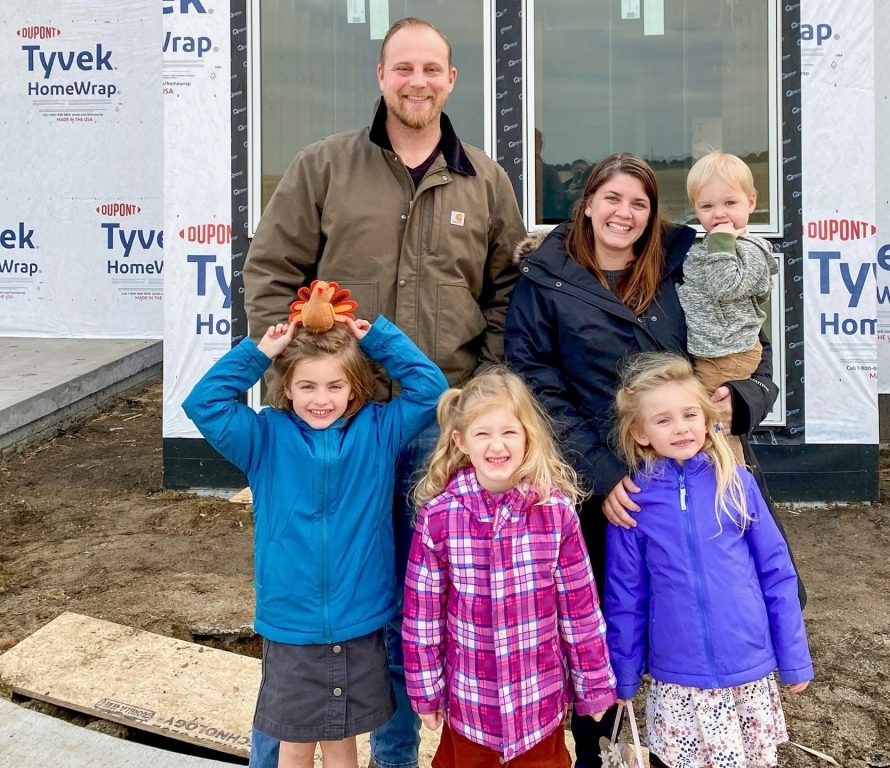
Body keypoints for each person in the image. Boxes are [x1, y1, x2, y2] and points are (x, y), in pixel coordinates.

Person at [242, 17, 526, 768]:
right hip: (334, 431)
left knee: (410, 609)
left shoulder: (485, 181)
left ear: (451, 80)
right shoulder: (324, 166)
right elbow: (271, 271)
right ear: (380, 75)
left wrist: (481, 399)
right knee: (308, 604)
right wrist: (299, 385)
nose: (417, 82)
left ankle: (393, 758)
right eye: (403, 68)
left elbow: (505, 295)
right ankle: (274, 757)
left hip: (435, 430)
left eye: (431, 69)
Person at [503, 152, 797, 767]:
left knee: (698, 606)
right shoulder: (547, 278)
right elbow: (534, 383)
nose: (624, 213)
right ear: (586, 203)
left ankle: (697, 745)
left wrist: (741, 400)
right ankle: (598, 750)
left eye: (639, 203)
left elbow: (745, 345)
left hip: (690, 477)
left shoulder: (683, 263)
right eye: (611, 198)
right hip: (601, 487)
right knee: (601, 624)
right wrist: (604, 476)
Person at [182, 309, 448, 768]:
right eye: (307, 386)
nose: (320, 399)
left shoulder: (381, 431)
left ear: (355, 388)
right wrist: (262, 352)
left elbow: (431, 389)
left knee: (343, 739)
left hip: (360, 619)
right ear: (286, 388)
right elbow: (204, 403)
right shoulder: (263, 437)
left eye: (334, 386)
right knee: (296, 742)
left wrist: (379, 338)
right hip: (291, 625)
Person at [606, 352, 812, 768]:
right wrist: (623, 673)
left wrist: (794, 657)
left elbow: (776, 573)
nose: (680, 427)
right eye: (663, 420)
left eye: (688, 415)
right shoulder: (633, 501)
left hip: (748, 672)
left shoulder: (737, 482)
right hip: (678, 680)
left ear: (707, 418)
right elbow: (625, 596)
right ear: (640, 433)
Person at [401, 368, 616, 767]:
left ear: (528, 438)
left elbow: (580, 611)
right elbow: (422, 618)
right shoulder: (439, 518)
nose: (496, 445)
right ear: (460, 441)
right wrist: (426, 690)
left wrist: (594, 683)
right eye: (483, 434)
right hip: (471, 711)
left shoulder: (556, 514)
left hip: (539, 707)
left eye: (508, 432)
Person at [677, 151, 778, 465]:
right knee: (701, 425)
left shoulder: (752, 249)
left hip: (728, 353)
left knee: (712, 427)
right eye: (707, 206)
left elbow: (724, 286)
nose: (719, 214)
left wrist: (721, 241)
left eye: (730, 203)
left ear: (750, 202)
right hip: (705, 351)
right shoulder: (704, 246)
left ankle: (731, 489)